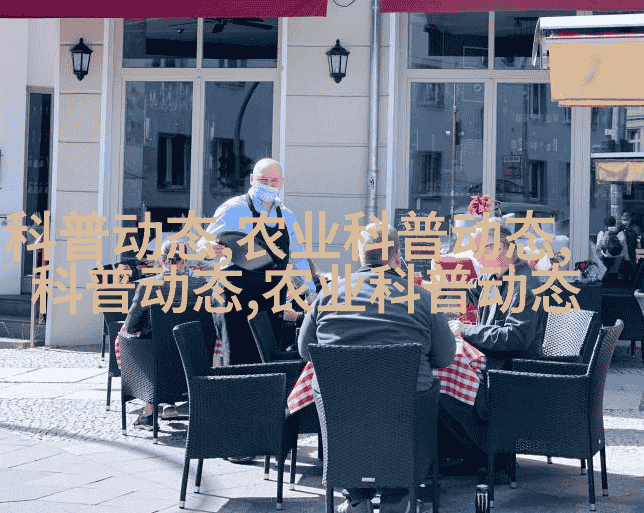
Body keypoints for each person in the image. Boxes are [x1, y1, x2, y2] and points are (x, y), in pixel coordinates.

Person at [298, 223, 456, 513]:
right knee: (424, 396)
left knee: (348, 405)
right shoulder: (422, 298)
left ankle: (356, 497)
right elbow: (445, 358)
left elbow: (305, 350)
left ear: (360, 256)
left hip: (342, 408)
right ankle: (398, 496)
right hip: (407, 408)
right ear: (397, 256)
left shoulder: (328, 295)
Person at [442, 225, 547, 480]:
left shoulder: (525, 286)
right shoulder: (495, 275)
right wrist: (434, 290)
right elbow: (473, 289)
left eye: (478, 249)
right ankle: (472, 455)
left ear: (499, 248)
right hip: (492, 363)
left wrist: (465, 330)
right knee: (441, 376)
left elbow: (515, 337)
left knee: (446, 385)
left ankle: (495, 458)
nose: (476, 256)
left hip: (512, 372)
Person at [197, 158, 316, 365]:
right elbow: (202, 246)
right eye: (264, 180)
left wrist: (309, 292)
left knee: (267, 359)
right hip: (234, 296)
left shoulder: (287, 216)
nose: (269, 185)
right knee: (236, 361)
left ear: (281, 183)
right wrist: (209, 250)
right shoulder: (233, 208)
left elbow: (297, 256)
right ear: (252, 179)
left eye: (274, 181)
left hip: (271, 297)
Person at [120, 239, 208, 429]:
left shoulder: (148, 285)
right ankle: (173, 405)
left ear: (161, 261)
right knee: (170, 348)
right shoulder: (201, 285)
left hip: (157, 363)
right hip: (190, 362)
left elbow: (131, 326)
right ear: (185, 261)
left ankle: (149, 412)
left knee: (147, 345)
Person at [596, 215, 627, 282]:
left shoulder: (602, 232)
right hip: (618, 258)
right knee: (614, 278)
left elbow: (598, 246)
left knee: (605, 279)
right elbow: (624, 246)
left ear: (605, 224)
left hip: (605, 258)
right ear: (615, 223)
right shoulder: (621, 233)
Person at [617, 209, 643, 280]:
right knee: (623, 276)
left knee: (634, 276)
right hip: (622, 257)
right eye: (623, 217)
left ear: (631, 218)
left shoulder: (635, 228)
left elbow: (641, 239)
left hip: (632, 257)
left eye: (627, 217)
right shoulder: (620, 228)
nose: (625, 219)